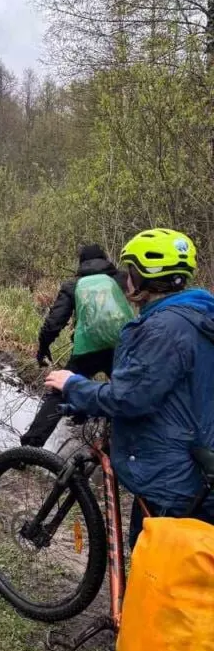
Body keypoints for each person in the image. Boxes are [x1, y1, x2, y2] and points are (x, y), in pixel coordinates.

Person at [46, 228, 214, 544]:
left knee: (155, 571)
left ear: (142, 276)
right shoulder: (200, 316)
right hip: (201, 462)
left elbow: (129, 398)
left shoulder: (162, 329)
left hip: (173, 478)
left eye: (131, 270)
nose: (126, 278)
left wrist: (75, 387)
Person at [20, 243, 129, 448]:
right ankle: (127, 444)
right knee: (127, 392)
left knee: (61, 389)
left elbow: (54, 323)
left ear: (81, 264)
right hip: (122, 346)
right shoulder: (124, 279)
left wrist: (43, 347)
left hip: (87, 349)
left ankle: (30, 447)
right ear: (105, 260)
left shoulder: (74, 286)